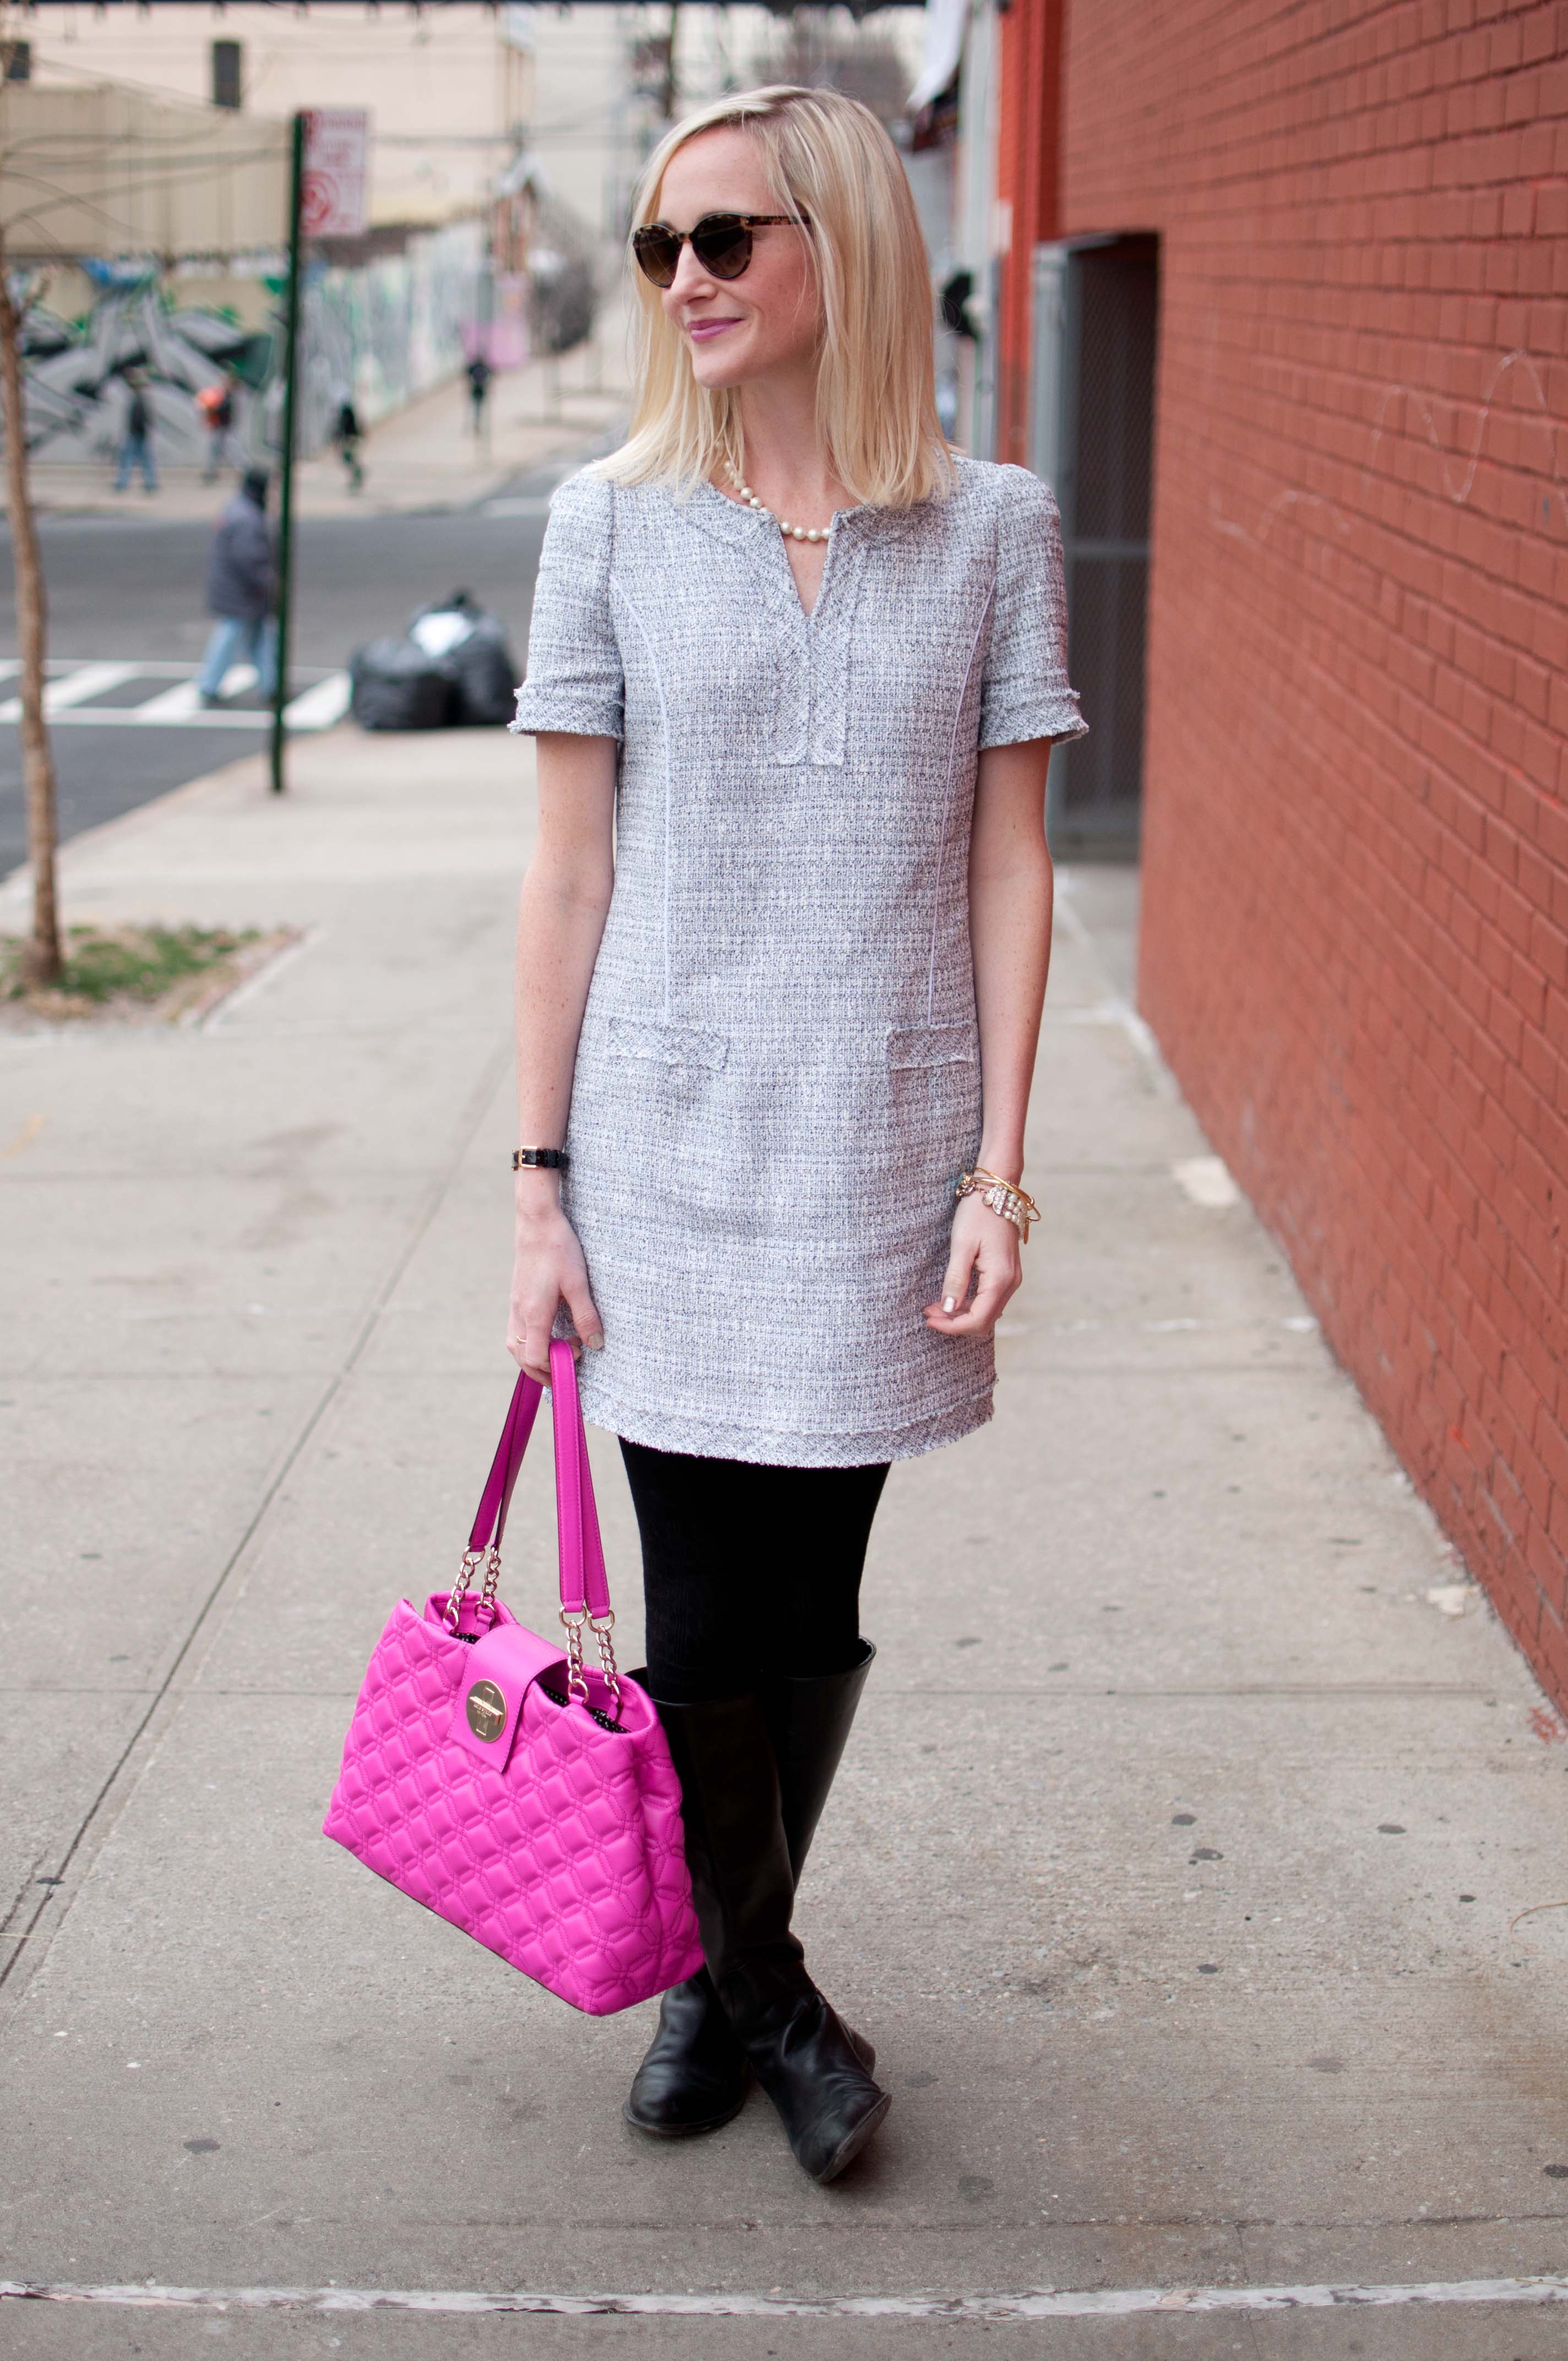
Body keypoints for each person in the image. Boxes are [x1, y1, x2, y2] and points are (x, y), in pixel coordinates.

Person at [507, 86, 1085, 2186]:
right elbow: (565, 870)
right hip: (662, 1151)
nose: (684, 283)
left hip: (878, 1153)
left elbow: (1012, 863)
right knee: (688, 1613)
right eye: (663, 248)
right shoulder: (609, 524)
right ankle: (750, 1987)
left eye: (725, 238)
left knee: (809, 1595)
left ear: (837, 239)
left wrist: (997, 1165)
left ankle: (710, 1963)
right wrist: (535, 1178)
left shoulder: (993, 525)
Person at [196, 467, 277, 704]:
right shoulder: (247, 518)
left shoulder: (236, 508)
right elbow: (251, 560)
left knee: (259, 637)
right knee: (233, 636)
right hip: (240, 591)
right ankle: (209, 686)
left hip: (235, 587)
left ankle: (270, 686)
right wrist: (269, 582)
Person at [113, 371, 157, 495]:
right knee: (140, 460)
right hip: (138, 433)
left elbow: (142, 418)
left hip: (137, 433)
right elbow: (146, 418)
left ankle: (145, 483)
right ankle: (146, 483)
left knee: (133, 459)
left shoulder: (139, 400)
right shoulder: (139, 400)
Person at [197, 370, 238, 482]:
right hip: (219, 425)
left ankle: (245, 470)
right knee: (215, 449)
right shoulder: (224, 394)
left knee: (228, 449)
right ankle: (211, 472)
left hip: (223, 426)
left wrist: (212, 408)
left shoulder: (228, 396)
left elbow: (223, 410)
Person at [333, 395, 364, 492]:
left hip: (350, 439)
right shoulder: (349, 412)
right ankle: (356, 475)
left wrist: (338, 439)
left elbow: (343, 427)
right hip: (351, 439)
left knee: (348, 458)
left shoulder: (346, 413)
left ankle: (357, 475)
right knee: (349, 459)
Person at [465, 351, 492, 437]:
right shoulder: (484, 367)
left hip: (477, 391)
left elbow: (468, 379)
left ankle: (477, 423)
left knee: (477, 408)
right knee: (478, 408)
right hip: (479, 391)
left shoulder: (475, 368)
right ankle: (477, 423)